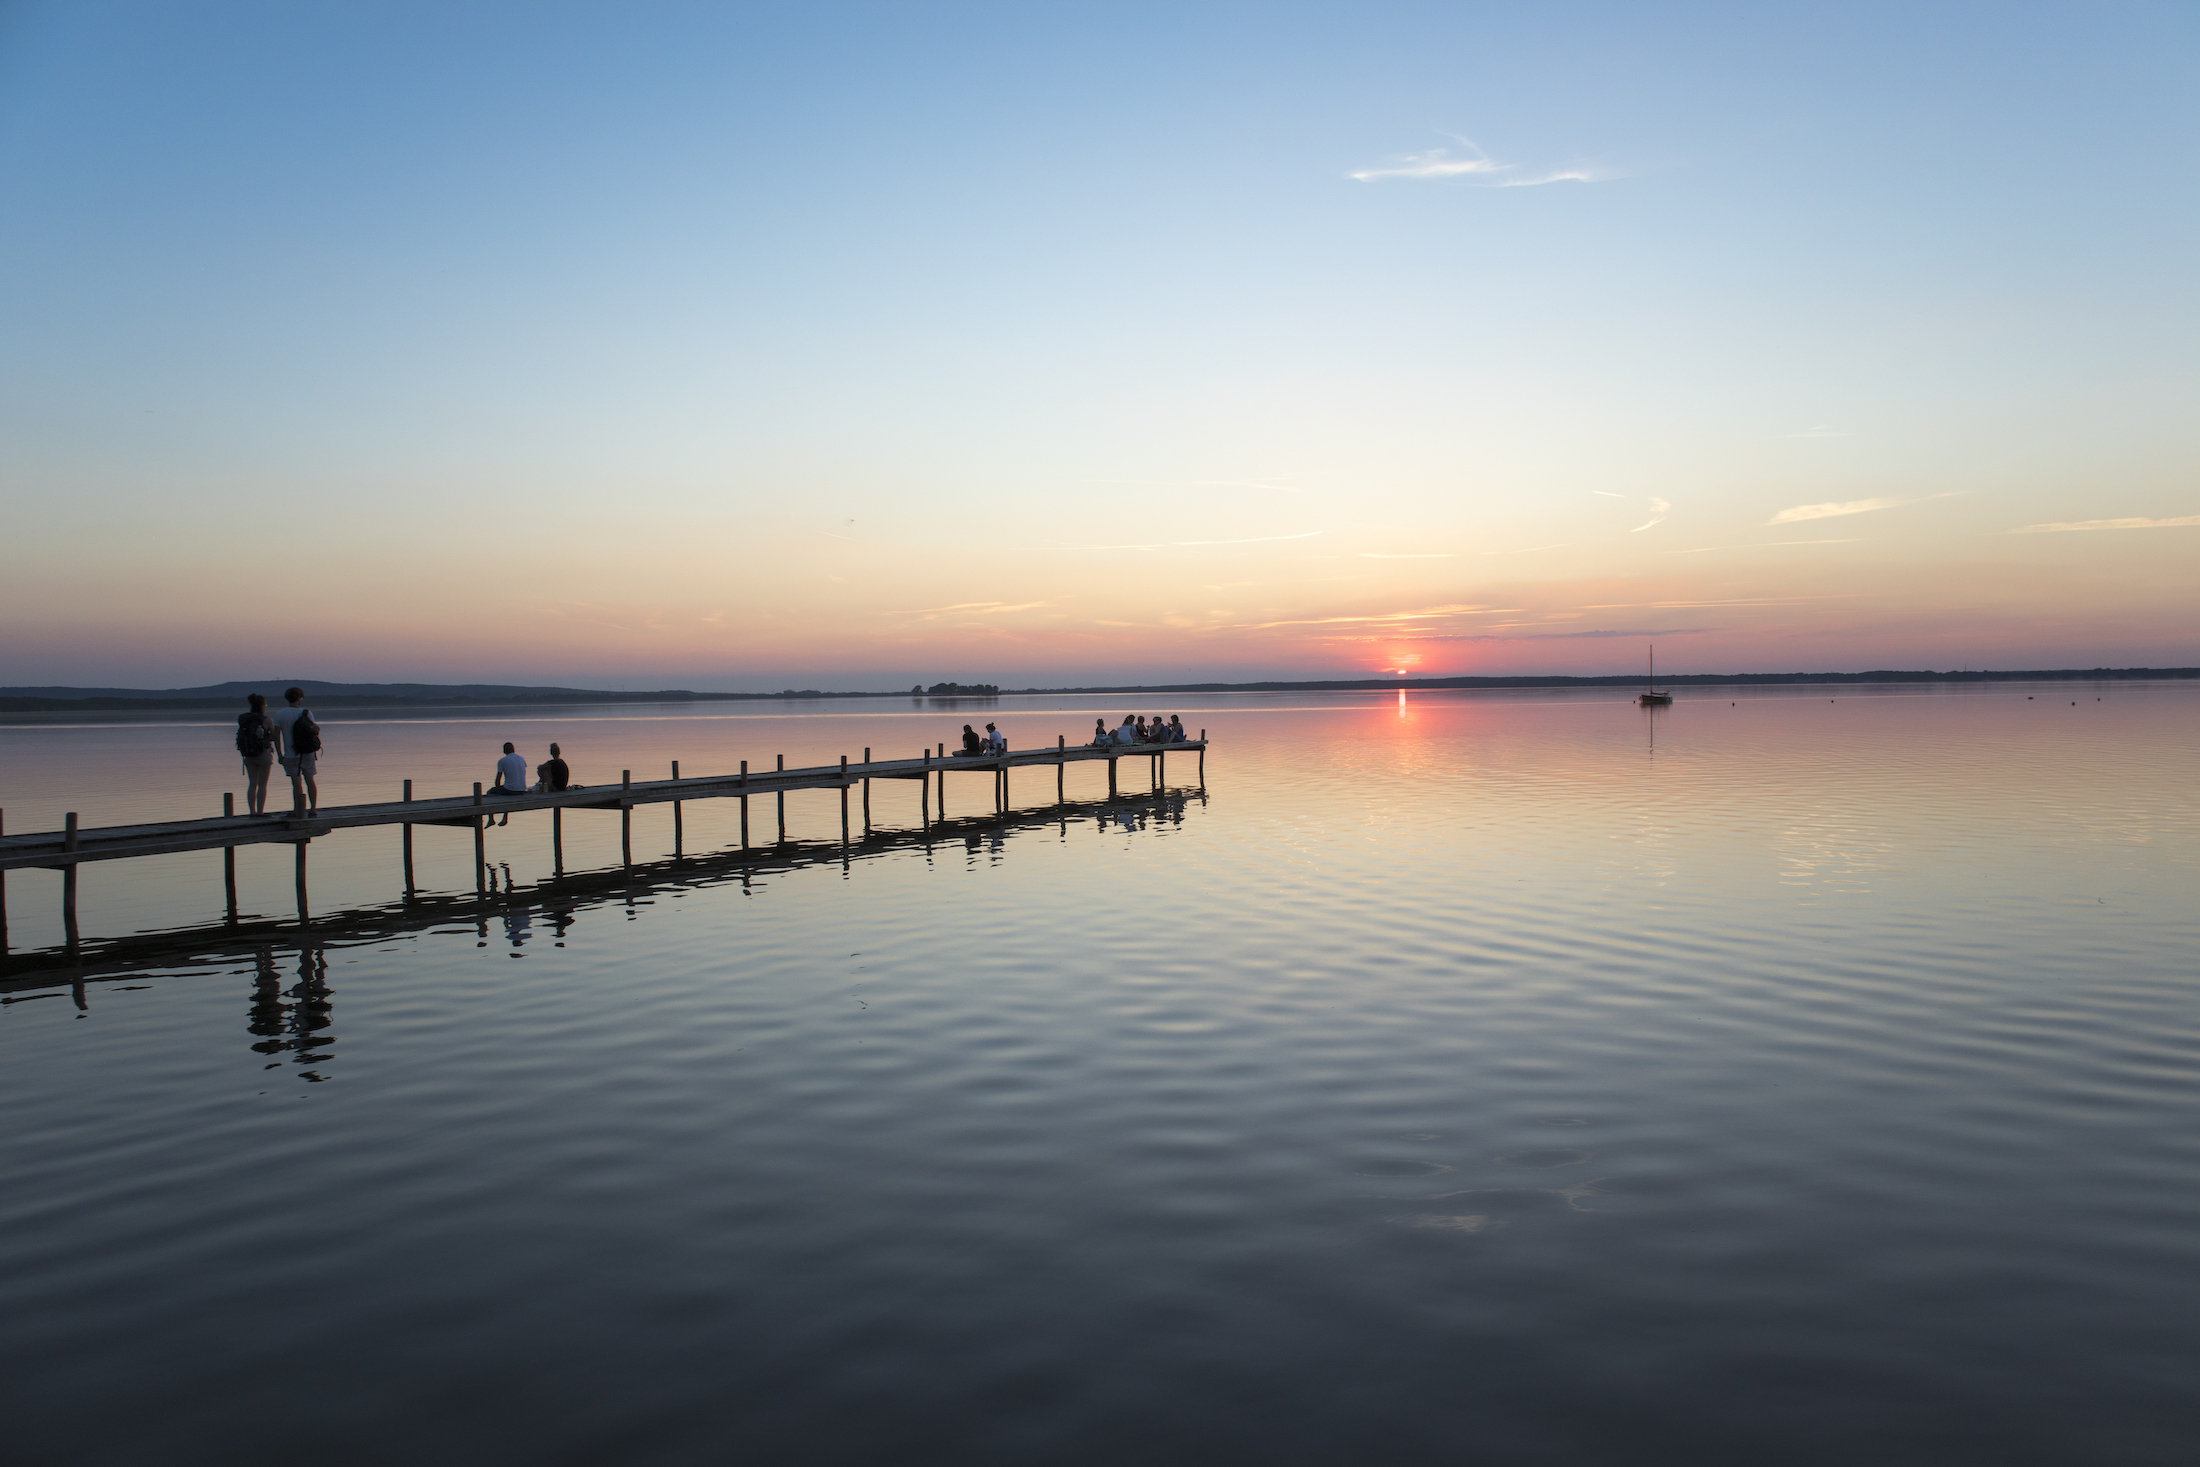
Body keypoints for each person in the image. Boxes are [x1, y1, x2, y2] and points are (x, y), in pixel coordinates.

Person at [268, 687, 321, 815]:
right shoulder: (307, 713)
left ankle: (298, 809)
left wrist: (280, 754)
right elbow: (315, 730)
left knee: (296, 783)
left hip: (290, 754)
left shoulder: (280, 714)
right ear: (299, 698)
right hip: (307, 752)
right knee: (310, 780)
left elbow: (276, 736)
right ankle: (313, 809)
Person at [235, 693, 277, 815]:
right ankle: (260, 811)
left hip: (248, 754)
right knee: (262, 784)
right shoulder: (267, 720)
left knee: (252, 783)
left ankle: (252, 811)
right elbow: (274, 736)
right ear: (263, 705)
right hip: (263, 754)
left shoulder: (243, 719)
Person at [486, 741, 528, 825]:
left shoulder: (502, 761)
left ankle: (491, 819)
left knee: (490, 792)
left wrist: (497, 790)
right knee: (506, 792)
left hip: (511, 790)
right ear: (513, 750)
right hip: (522, 789)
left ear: (504, 751)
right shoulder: (521, 758)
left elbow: (498, 779)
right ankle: (504, 818)